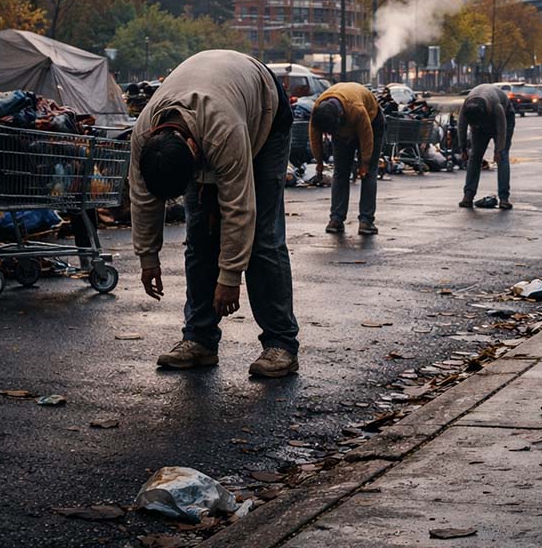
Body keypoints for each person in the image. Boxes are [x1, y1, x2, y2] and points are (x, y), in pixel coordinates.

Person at [130, 50, 300, 378]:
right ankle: (200, 340)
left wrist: (230, 277)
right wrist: (147, 257)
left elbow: (239, 208)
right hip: (214, 100)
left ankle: (281, 344)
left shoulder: (223, 132)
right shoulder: (144, 136)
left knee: (263, 237)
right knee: (199, 233)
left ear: (194, 153)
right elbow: (143, 199)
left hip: (264, 109)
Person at [309, 82, 385, 235]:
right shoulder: (318, 112)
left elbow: (367, 138)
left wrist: (364, 163)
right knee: (340, 172)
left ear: (340, 116)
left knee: (368, 173)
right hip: (344, 125)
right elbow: (315, 138)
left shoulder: (356, 109)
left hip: (372, 122)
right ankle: (336, 219)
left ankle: (366, 221)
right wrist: (319, 163)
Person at [457, 83, 514, 210]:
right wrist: (463, 149)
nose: (476, 125)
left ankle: (504, 198)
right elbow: (461, 127)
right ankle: (468, 196)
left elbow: (502, 129)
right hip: (481, 128)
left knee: (503, 157)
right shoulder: (466, 107)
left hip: (505, 119)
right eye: (474, 124)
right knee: (474, 157)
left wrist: (498, 150)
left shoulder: (496, 107)